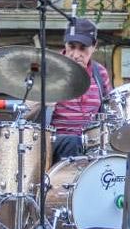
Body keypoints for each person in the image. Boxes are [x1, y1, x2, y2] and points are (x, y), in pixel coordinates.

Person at [46, 17, 111, 162]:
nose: (75, 55)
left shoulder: (100, 73)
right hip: (54, 142)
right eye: (71, 46)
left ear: (94, 47)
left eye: (82, 48)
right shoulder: (50, 69)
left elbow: (109, 113)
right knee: (73, 142)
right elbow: (26, 112)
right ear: (65, 44)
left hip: (91, 143)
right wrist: (43, 100)